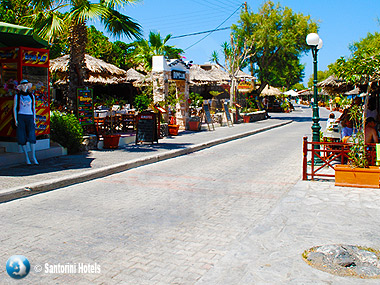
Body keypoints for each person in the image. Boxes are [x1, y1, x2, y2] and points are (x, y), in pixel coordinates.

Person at [13, 79, 38, 165]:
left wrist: (34, 118)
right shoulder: (18, 96)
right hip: (21, 116)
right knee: (22, 136)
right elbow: (15, 108)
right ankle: (27, 157)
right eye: (23, 85)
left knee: (31, 136)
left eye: (26, 85)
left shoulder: (31, 96)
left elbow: (33, 107)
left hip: (30, 116)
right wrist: (15, 119)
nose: (24, 87)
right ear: (20, 87)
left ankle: (33, 156)